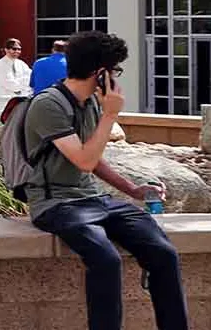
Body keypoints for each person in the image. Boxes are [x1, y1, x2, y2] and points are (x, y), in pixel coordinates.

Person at [23, 31, 186, 330]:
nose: (116, 78)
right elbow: (83, 159)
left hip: (92, 199)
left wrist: (132, 189)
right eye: (114, 71)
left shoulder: (90, 104)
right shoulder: (48, 105)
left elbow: (92, 158)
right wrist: (111, 115)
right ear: (100, 74)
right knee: (105, 259)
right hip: (55, 204)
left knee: (164, 253)